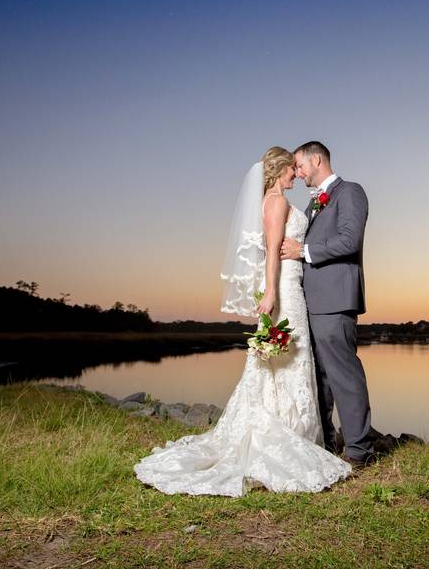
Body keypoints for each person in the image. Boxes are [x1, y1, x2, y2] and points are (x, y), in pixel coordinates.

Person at [133, 146, 352, 496]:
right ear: (280, 170)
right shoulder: (277, 202)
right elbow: (272, 252)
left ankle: (290, 431)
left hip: (289, 284)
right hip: (284, 289)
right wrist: (270, 295)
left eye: (298, 168)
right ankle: (288, 437)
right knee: (290, 362)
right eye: (292, 169)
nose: (296, 173)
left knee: (281, 365)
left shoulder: (271, 200)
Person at [280, 141, 375, 466]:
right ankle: (327, 442)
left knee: (343, 373)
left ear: (316, 159)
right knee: (319, 376)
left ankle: (359, 450)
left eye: (300, 165)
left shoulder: (350, 192)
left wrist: (302, 251)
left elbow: (349, 240)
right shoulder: (313, 206)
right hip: (311, 302)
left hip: (335, 301)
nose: (298, 171)